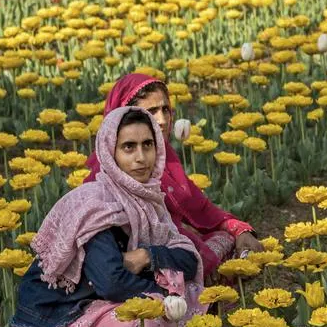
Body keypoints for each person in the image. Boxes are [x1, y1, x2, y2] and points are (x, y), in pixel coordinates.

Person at [10, 107, 208, 327]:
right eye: (129, 147)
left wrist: (147, 255)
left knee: (189, 291)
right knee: (144, 316)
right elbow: (112, 283)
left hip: (89, 305)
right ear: (110, 151)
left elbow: (188, 259)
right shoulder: (96, 206)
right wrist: (160, 294)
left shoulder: (147, 200)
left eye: (148, 145)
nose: (140, 157)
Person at [86, 74, 264, 285]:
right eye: (150, 112)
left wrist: (240, 230)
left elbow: (203, 209)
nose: (162, 120)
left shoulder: (166, 163)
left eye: (165, 109)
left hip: (169, 252)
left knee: (225, 240)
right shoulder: (102, 180)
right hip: (128, 270)